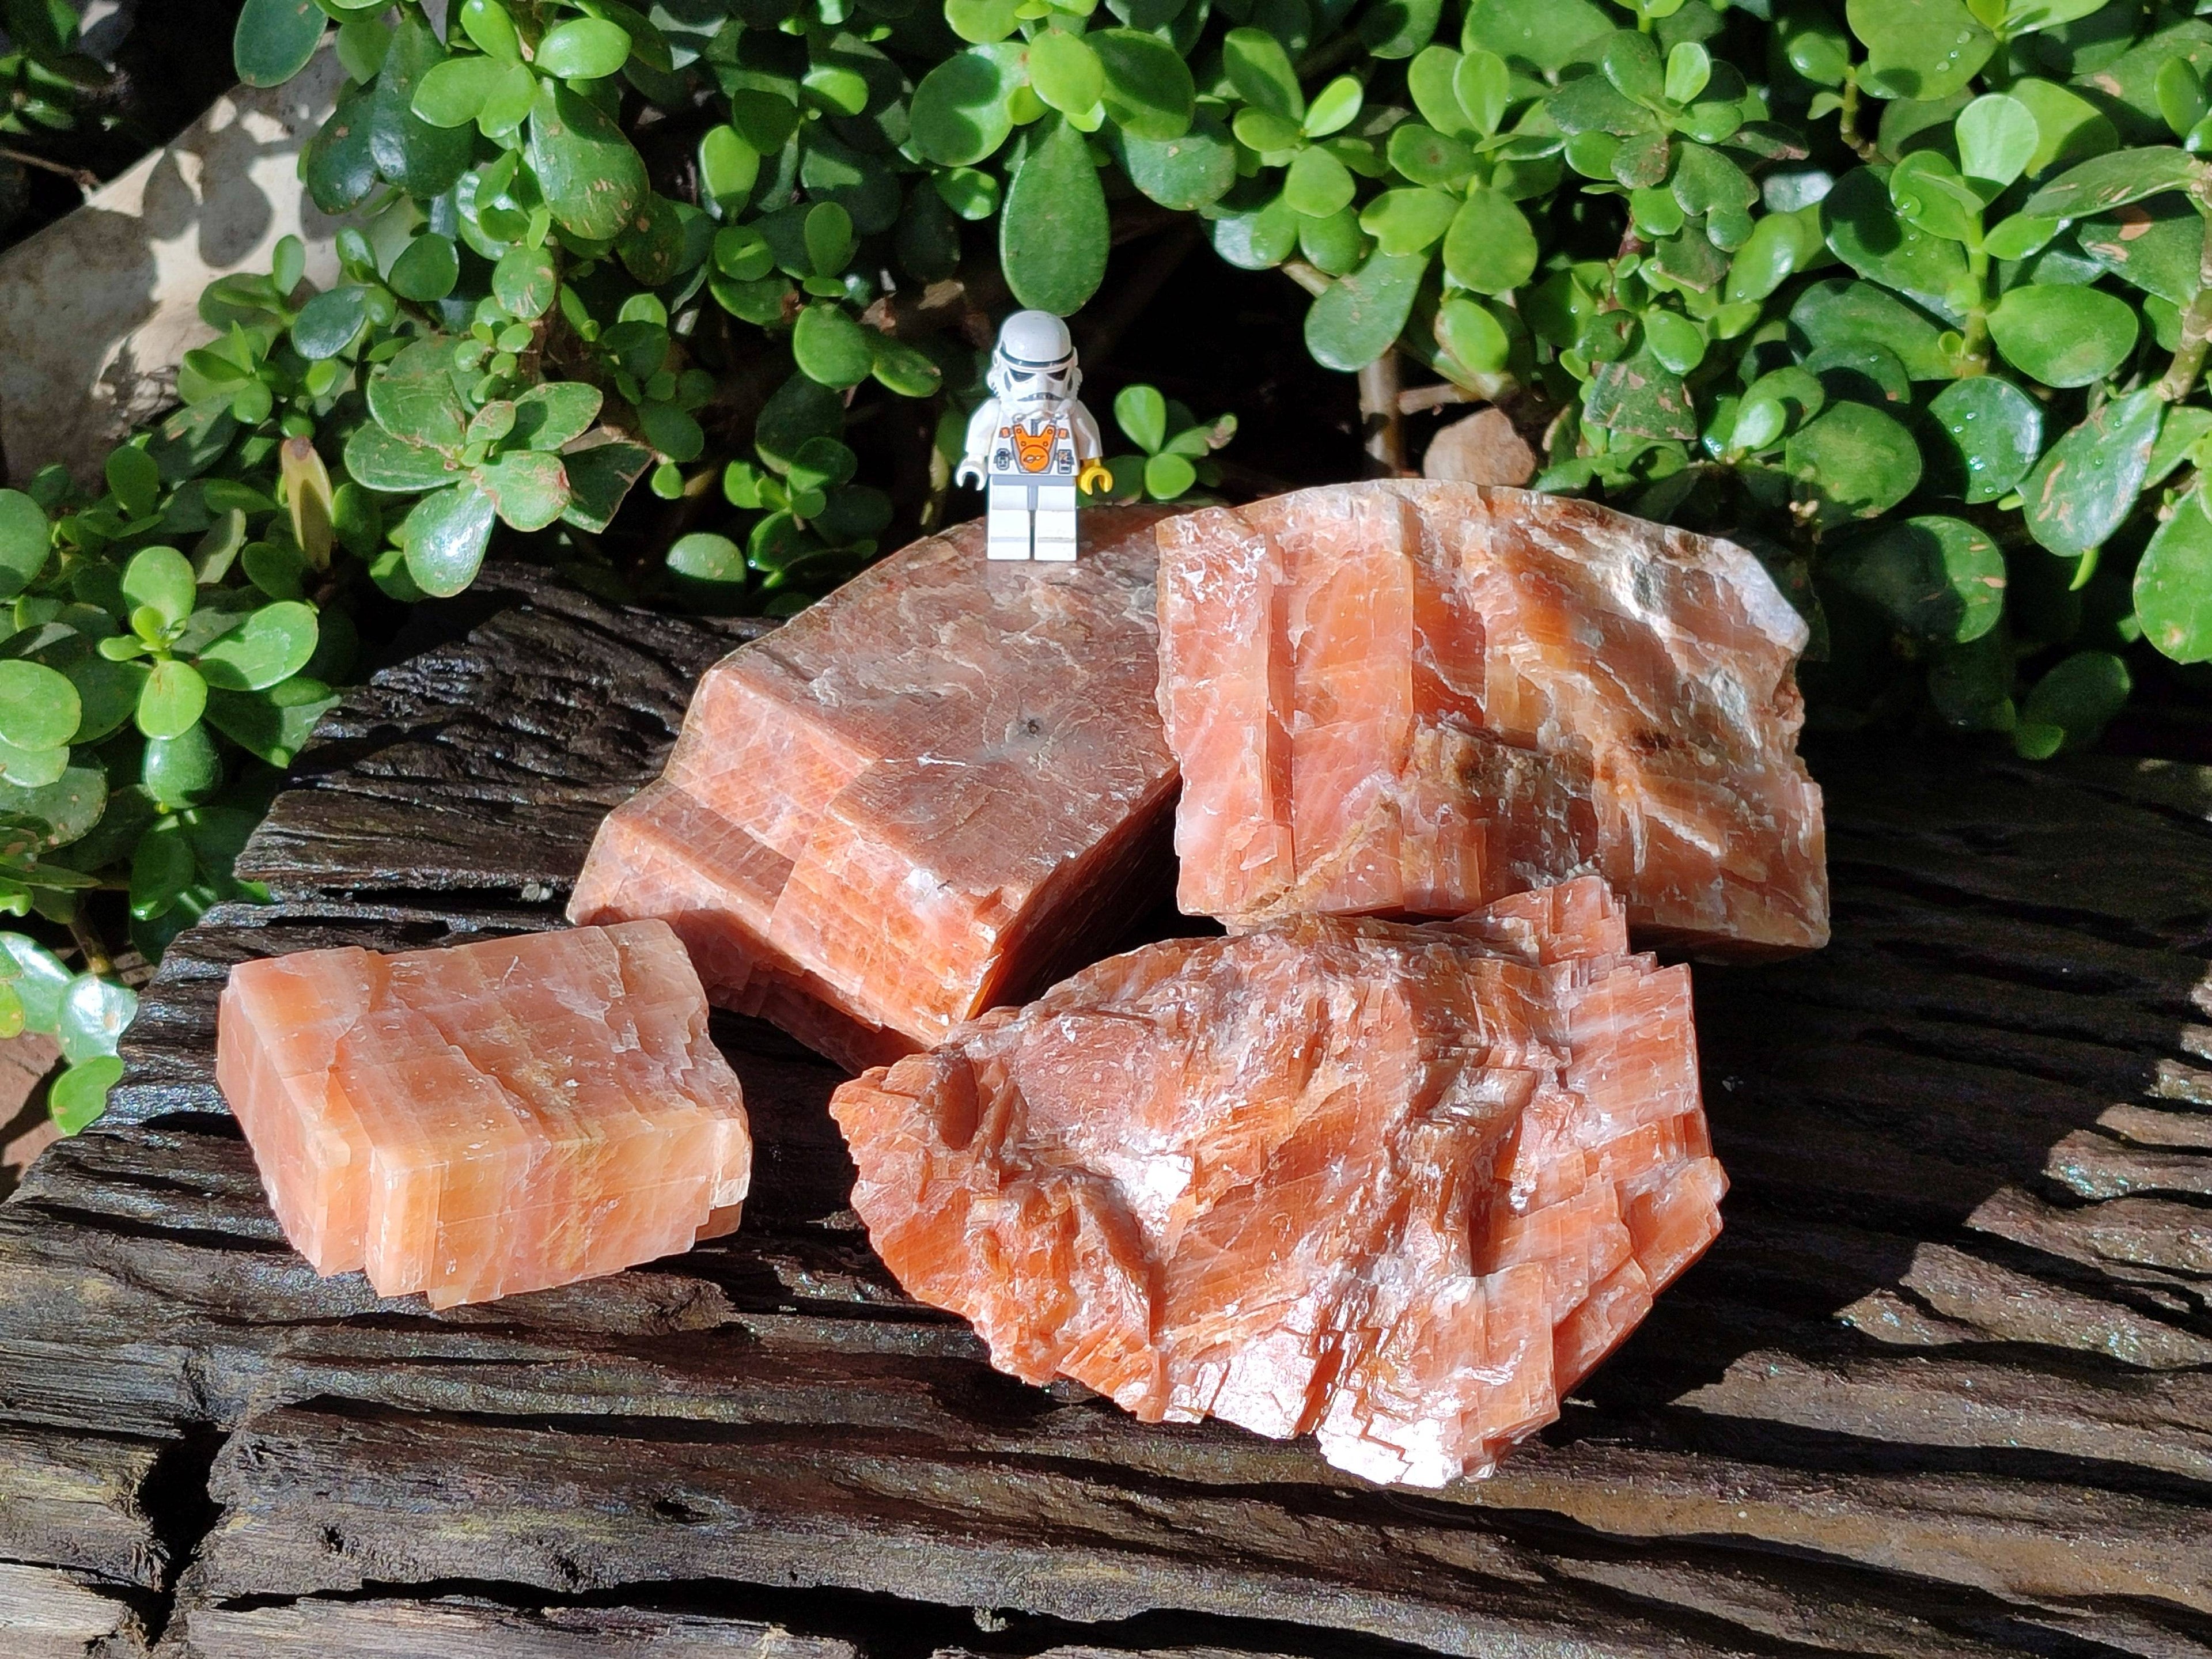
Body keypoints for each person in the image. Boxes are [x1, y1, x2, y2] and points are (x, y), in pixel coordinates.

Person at [955, 310, 1111, 560]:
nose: (1041, 387)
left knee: (1057, 521)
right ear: (999, 364)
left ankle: (1057, 546)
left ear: (1072, 366)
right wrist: (974, 459)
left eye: (1056, 375)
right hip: (1008, 476)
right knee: (1008, 520)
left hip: (1057, 476)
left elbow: (1087, 436)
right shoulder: (997, 410)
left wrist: (1092, 466)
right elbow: (980, 433)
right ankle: (1008, 546)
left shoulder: (1071, 411)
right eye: (1022, 375)